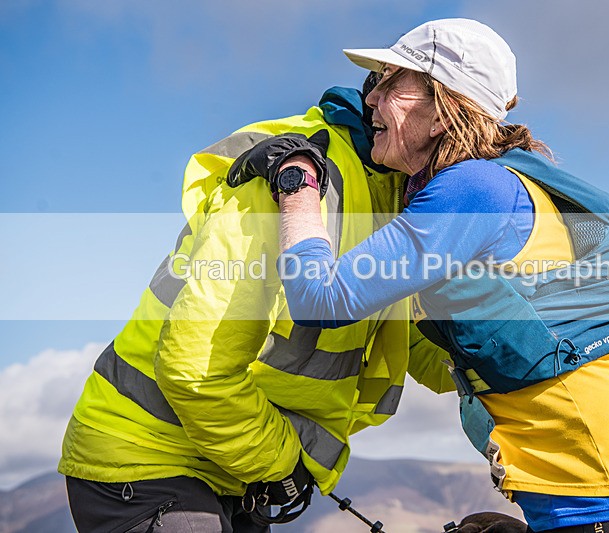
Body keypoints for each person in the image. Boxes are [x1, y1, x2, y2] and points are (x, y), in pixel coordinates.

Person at [264, 18, 609, 532]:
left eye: (390, 81)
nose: (370, 99)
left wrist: (298, 181)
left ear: (441, 109)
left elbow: (320, 297)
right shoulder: (506, 183)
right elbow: (455, 362)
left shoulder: (474, 189)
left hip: (608, 500)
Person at [58, 81, 452, 532]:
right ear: (445, 119)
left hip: (229, 462)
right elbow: (194, 370)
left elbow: (415, 338)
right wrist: (282, 464)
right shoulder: (295, 175)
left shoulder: (395, 194)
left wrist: (513, 366)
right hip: (144, 455)